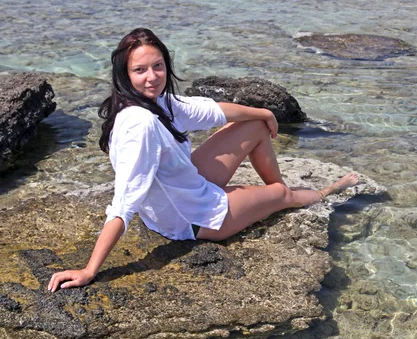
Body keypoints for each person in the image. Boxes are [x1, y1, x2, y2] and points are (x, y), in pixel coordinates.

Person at [48, 28, 359, 293]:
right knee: (280, 195)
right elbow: (124, 203)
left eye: (158, 66)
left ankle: (268, 192)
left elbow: (213, 110)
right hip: (189, 218)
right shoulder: (139, 125)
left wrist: (265, 113)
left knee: (253, 125)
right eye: (139, 70)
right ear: (124, 75)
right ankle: (313, 194)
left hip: (186, 186)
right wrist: (90, 270)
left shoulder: (161, 102)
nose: (152, 77)